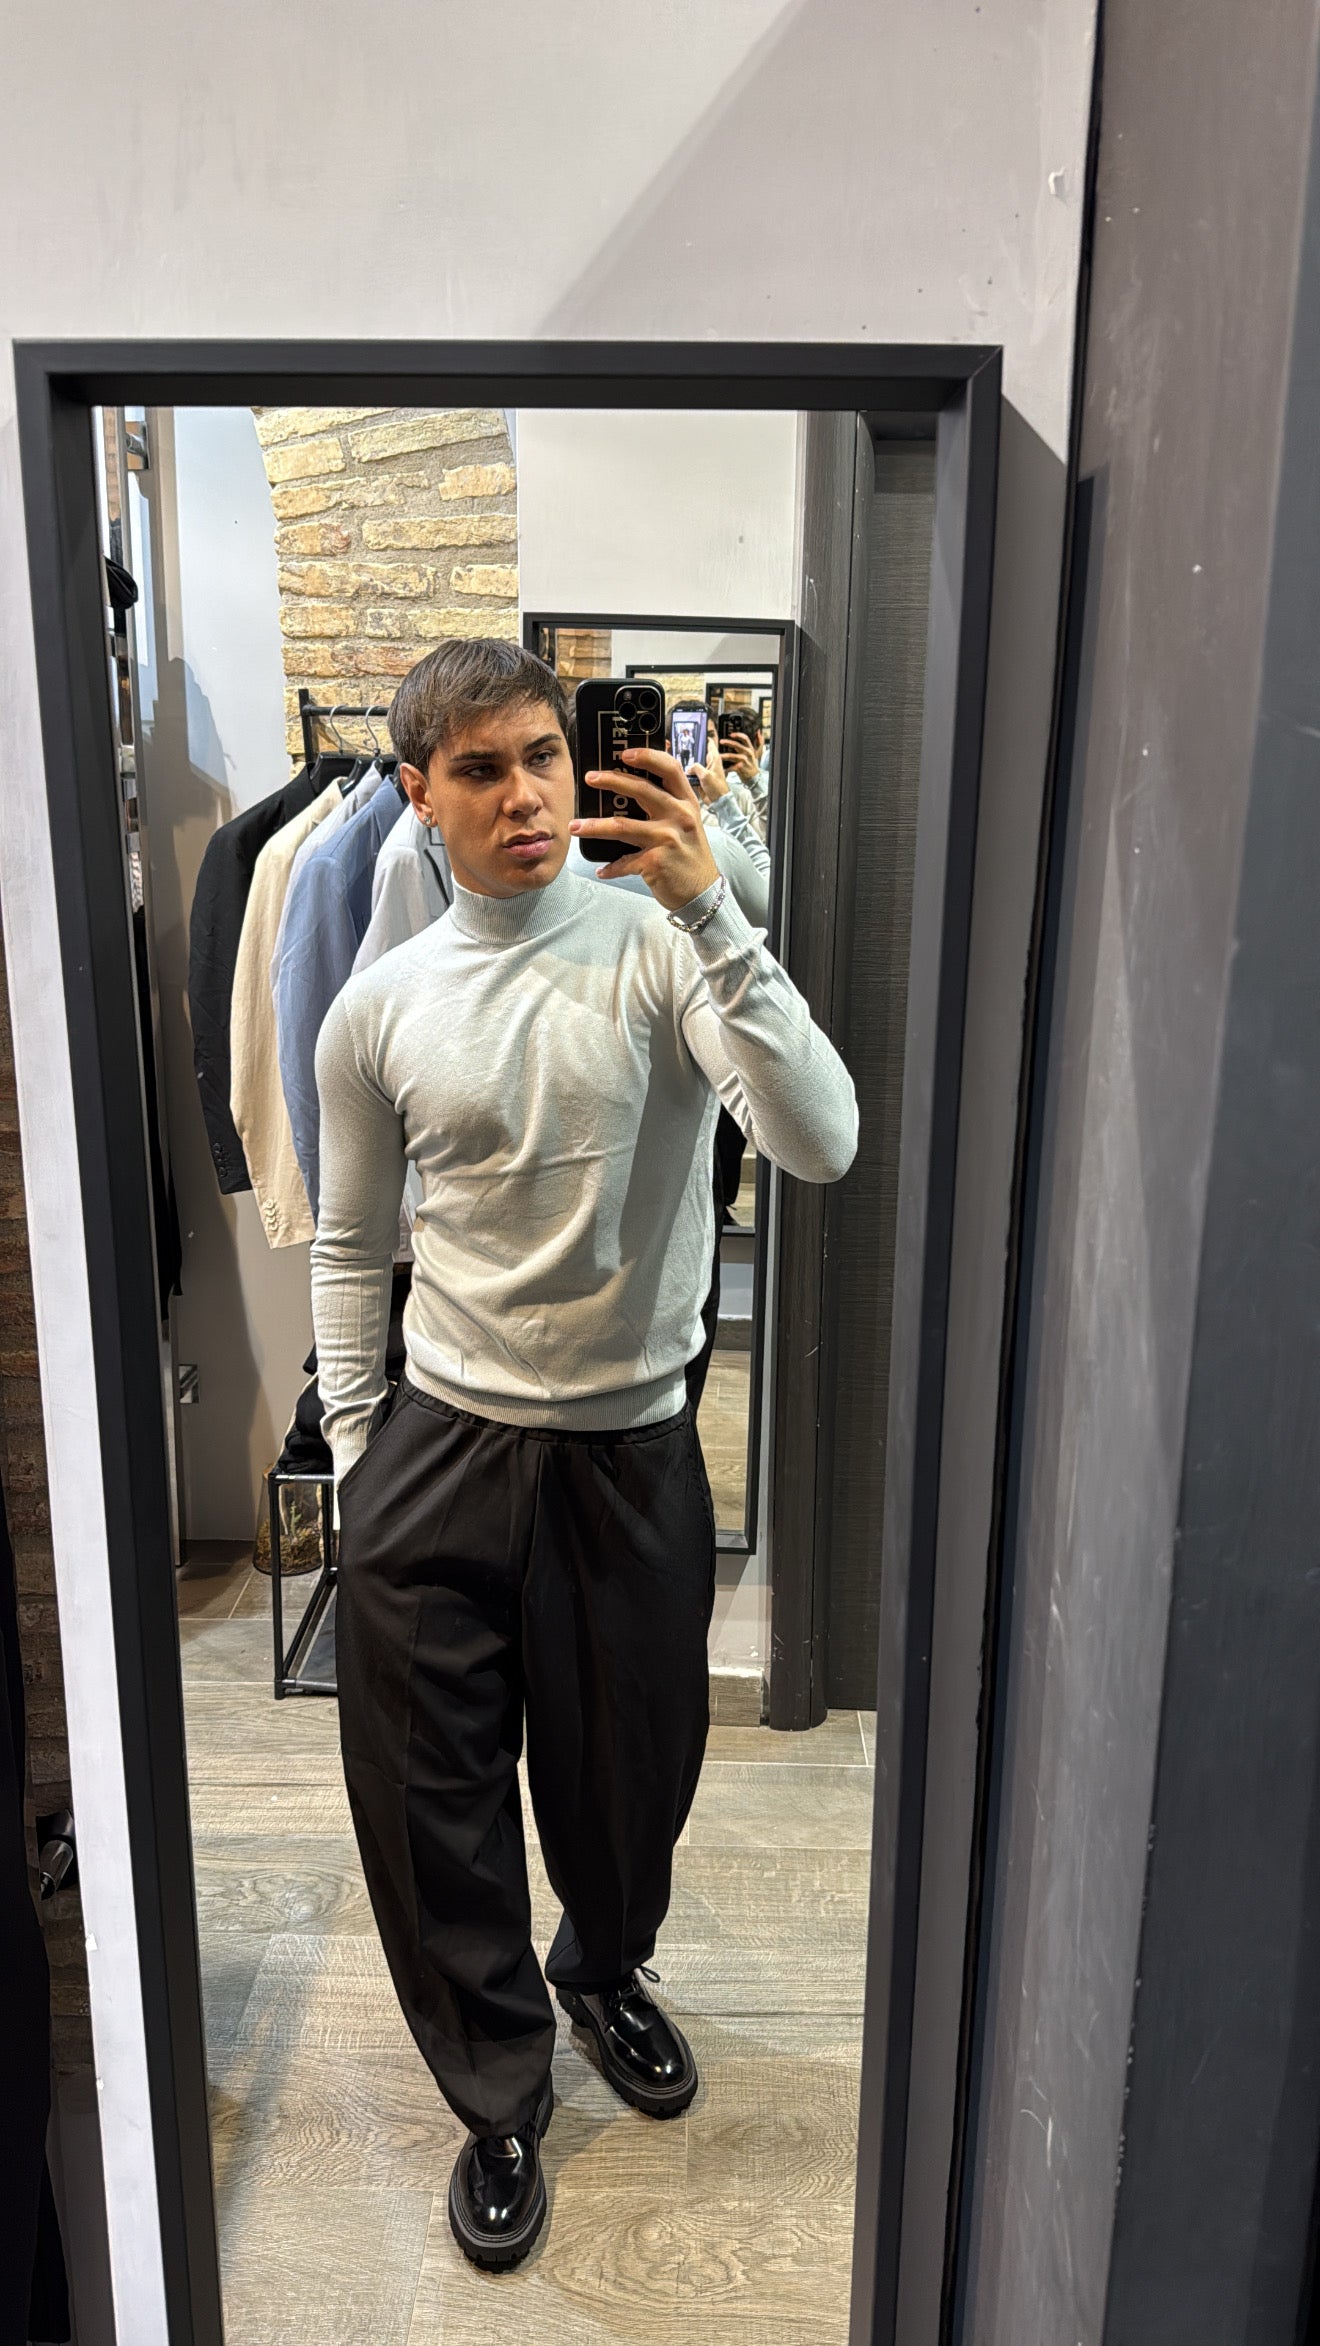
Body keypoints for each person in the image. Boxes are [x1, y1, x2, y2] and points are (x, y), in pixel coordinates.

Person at [311, 638, 857, 2273]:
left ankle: (603, 1968)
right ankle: (495, 2092)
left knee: (630, 1777)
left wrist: (716, 910)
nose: (526, 794)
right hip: (439, 1442)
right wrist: (358, 1458)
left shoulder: (669, 945)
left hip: (629, 1445)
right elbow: (348, 1243)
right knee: (428, 1798)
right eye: (480, 769)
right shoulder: (378, 1006)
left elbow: (822, 1138)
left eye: (543, 755)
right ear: (419, 796)